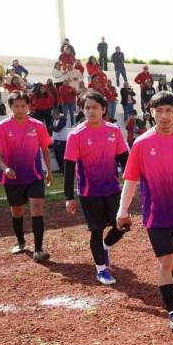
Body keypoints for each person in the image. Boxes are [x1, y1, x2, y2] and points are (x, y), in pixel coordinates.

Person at [117, 91, 173, 331]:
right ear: (151, 113)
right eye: (159, 111)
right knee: (164, 261)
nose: (164, 116)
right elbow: (131, 180)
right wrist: (123, 210)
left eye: (169, 111)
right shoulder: (141, 144)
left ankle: (172, 294)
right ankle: (172, 310)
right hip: (157, 214)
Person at [64, 92, 130, 285]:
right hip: (89, 192)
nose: (91, 111)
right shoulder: (76, 134)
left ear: (103, 110)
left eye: (95, 107)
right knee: (96, 229)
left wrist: (133, 180)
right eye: (87, 107)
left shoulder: (114, 130)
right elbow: (69, 168)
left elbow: (124, 159)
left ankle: (105, 246)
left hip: (112, 189)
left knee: (122, 226)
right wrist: (69, 196)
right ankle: (101, 270)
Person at [0, 91, 53, 262]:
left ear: (29, 106)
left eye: (23, 105)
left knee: (37, 208)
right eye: (16, 106)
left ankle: (39, 249)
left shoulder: (38, 125)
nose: (20, 109)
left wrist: (49, 171)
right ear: (11, 107)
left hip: (34, 175)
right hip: (13, 177)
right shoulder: (2, 127)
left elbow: (45, 149)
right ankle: (20, 240)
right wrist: (5, 168)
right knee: (17, 210)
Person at [51, 106, 70, 173]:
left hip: (62, 140)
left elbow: (57, 129)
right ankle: (61, 169)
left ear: (57, 113)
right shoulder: (54, 119)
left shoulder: (63, 118)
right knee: (57, 156)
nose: (52, 115)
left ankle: (64, 170)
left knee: (61, 156)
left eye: (53, 114)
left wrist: (51, 128)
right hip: (56, 139)